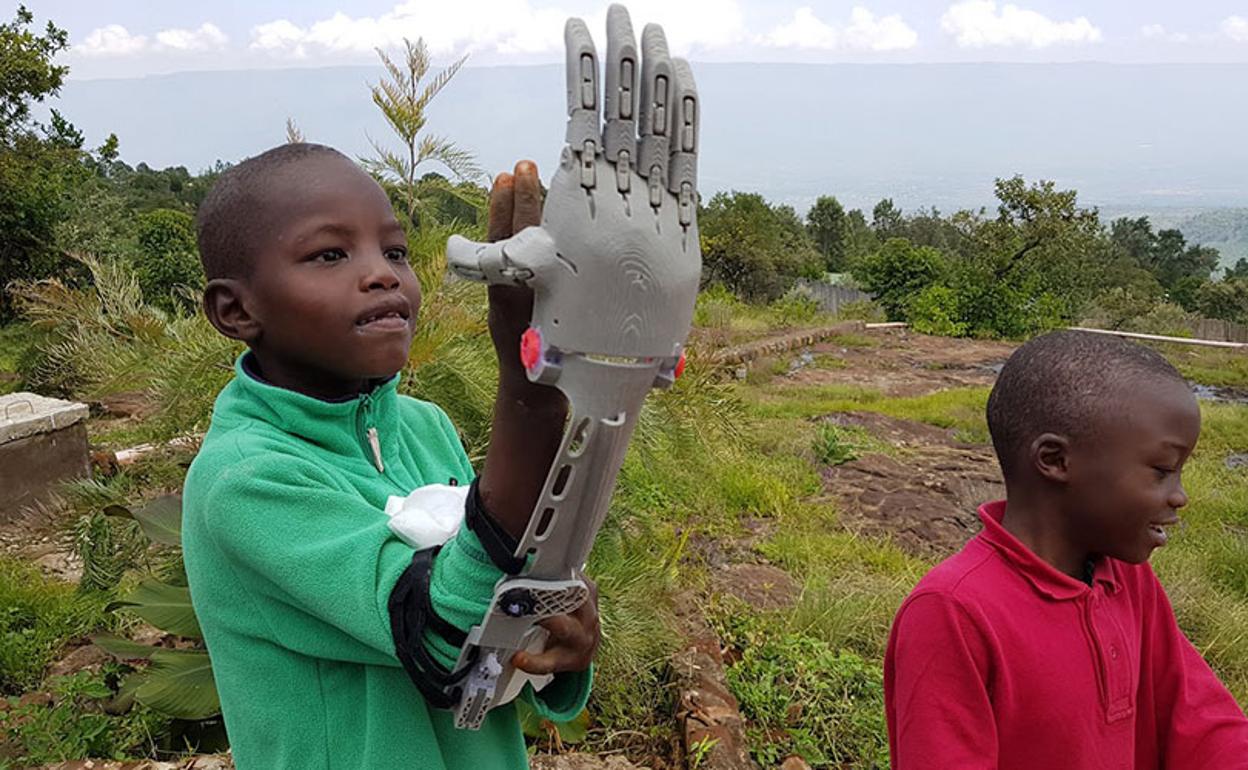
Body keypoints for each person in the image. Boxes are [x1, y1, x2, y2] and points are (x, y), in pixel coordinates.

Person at [181, 144, 597, 769]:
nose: (382, 274)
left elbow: (502, 604)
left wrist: (560, 619)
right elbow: (440, 623)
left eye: (395, 252)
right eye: (330, 254)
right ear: (236, 310)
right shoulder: (245, 479)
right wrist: (528, 389)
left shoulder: (424, 427)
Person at [884, 330, 1248, 769]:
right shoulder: (952, 611)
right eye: (1162, 471)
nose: (1179, 496)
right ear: (1056, 461)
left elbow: (1198, 719)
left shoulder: (1126, 580)